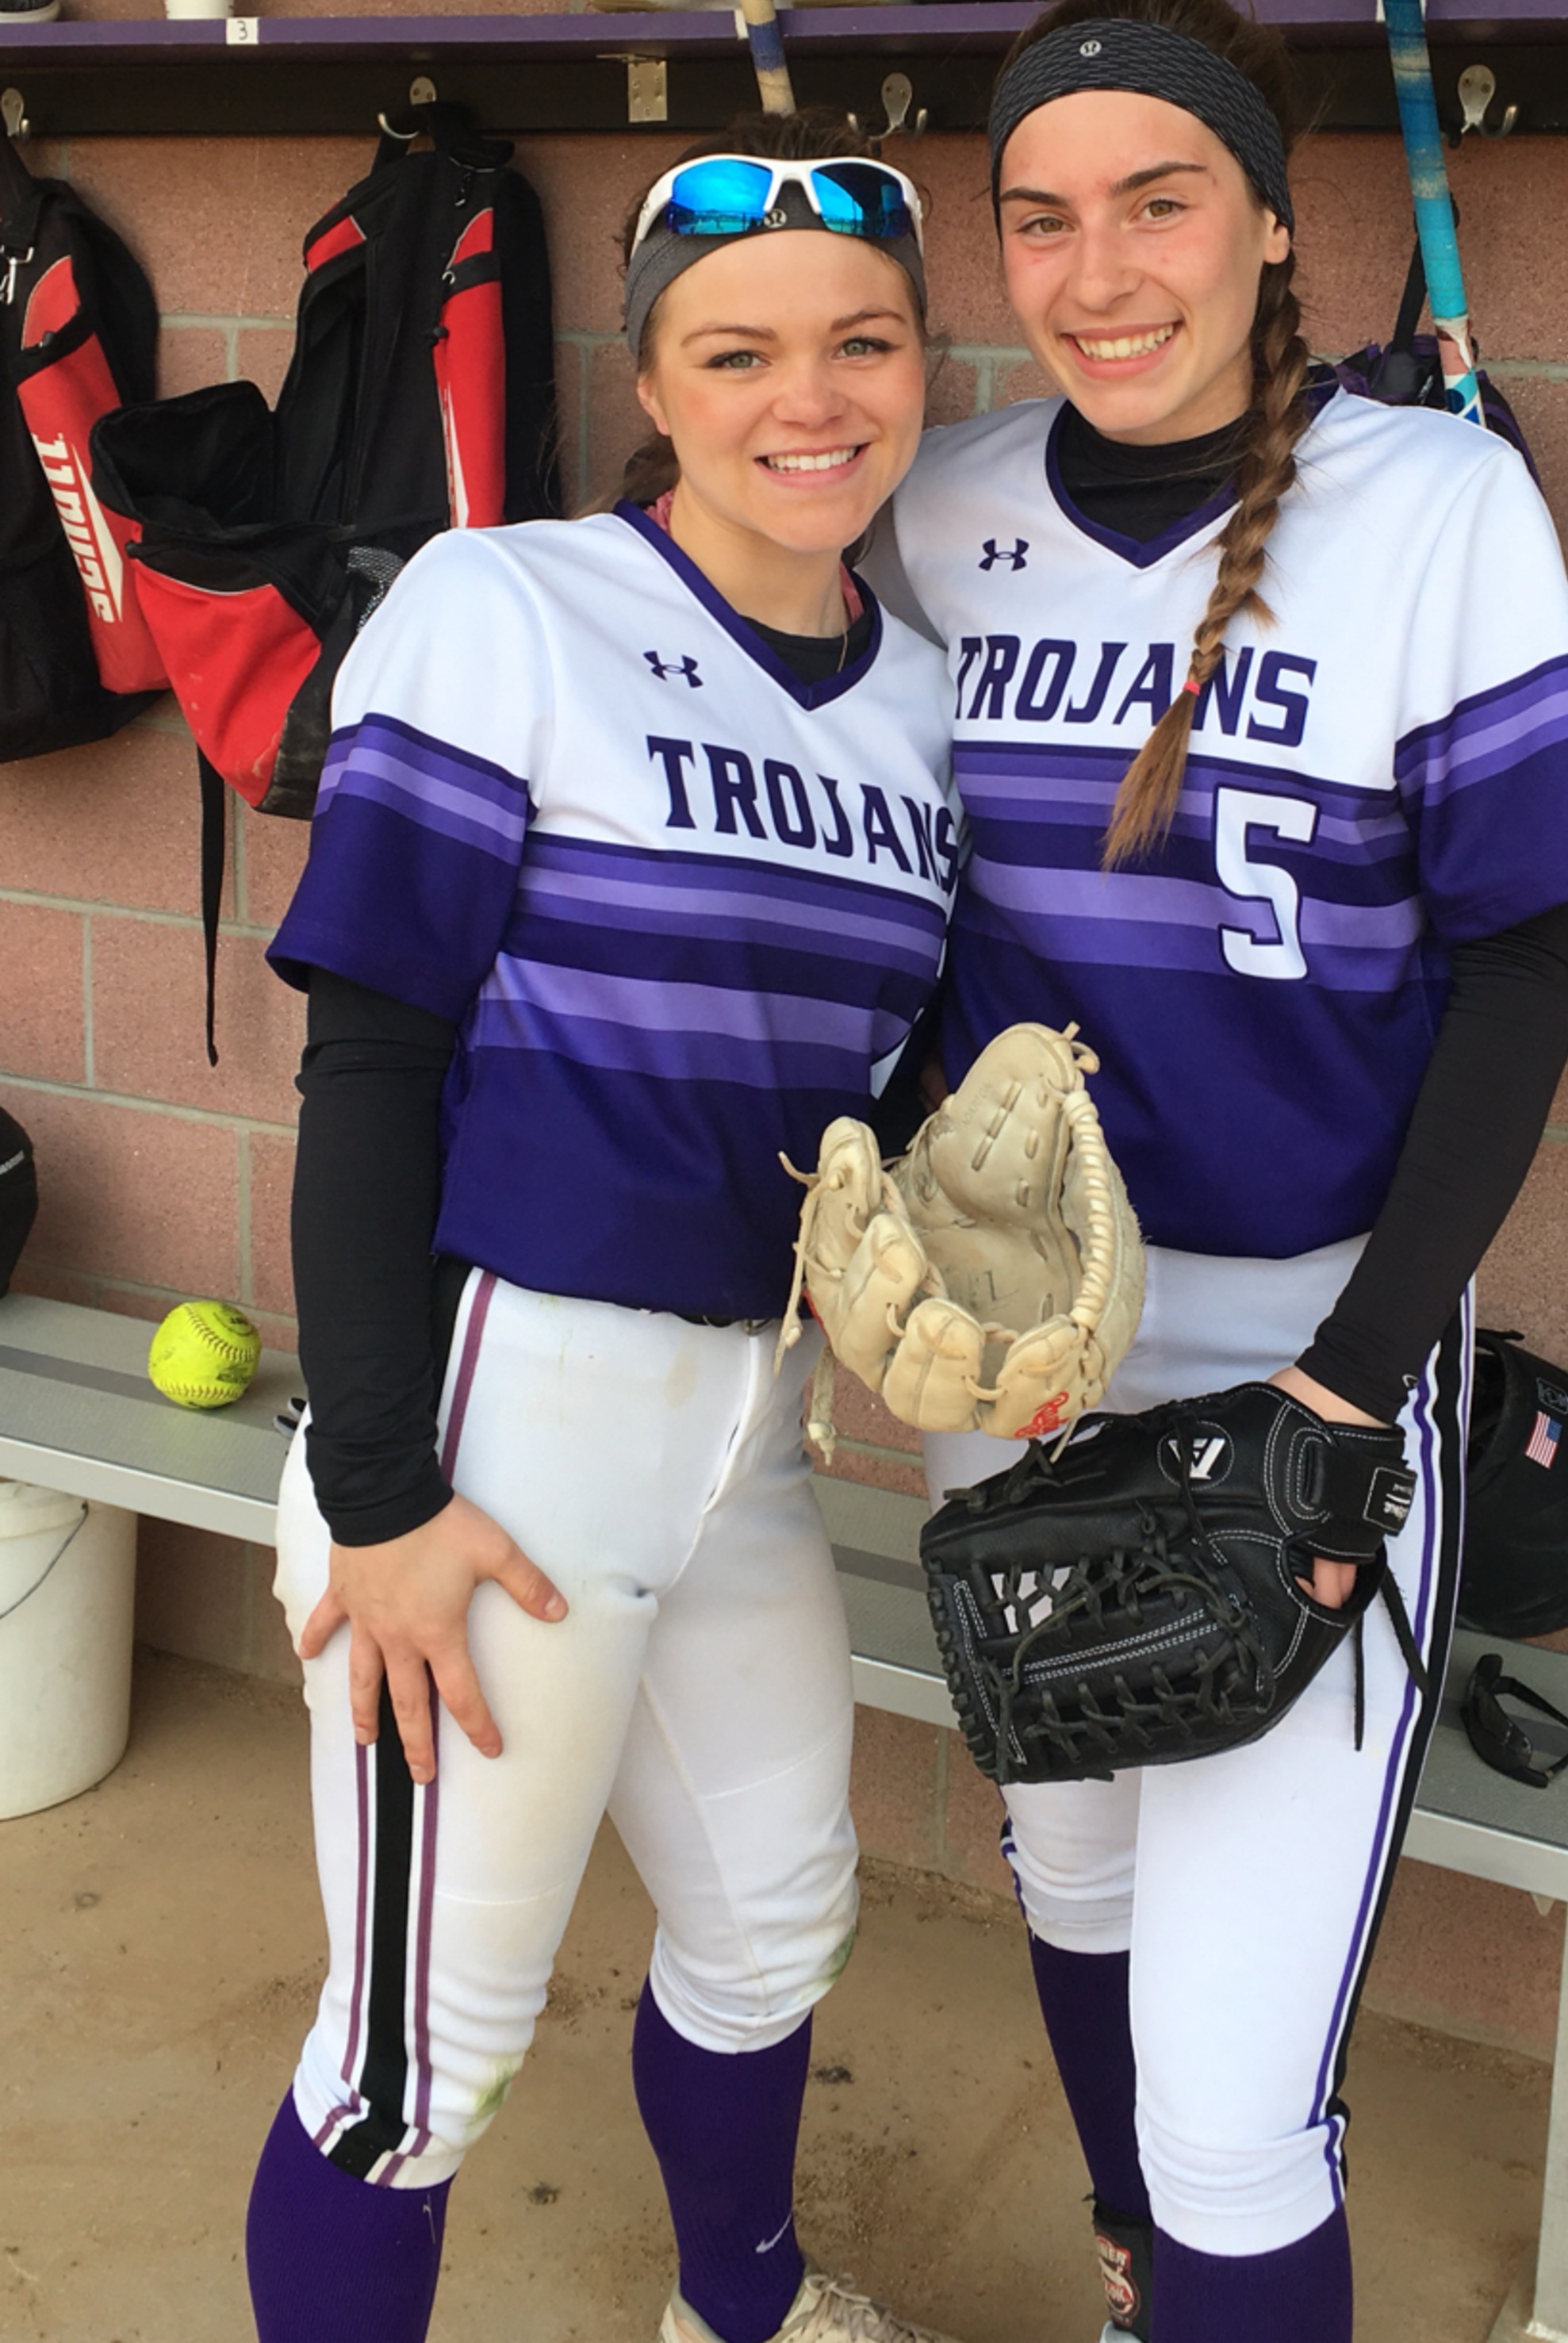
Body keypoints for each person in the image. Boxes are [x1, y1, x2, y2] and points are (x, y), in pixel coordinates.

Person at [863, 0, 1568, 2339]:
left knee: (1239, 2110)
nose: (1099, 272)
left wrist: (1350, 1386)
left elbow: (1538, 974)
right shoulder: (941, 504)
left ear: (1274, 225)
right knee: (1080, 1886)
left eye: (1158, 203)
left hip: (1305, 1365)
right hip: (1009, 1359)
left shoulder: (1437, 501)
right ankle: (1138, 2287)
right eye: (1038, 219)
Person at [248, 113, 964, 2343]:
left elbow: (879, 1097)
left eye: (862, 343)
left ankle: (741, 2311)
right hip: (500, 1416)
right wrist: (375, 1494)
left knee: (772, 1931)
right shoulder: (507, 605)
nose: (807, 399)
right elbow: (368, 1062)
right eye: (735, 351)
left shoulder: (922, 700)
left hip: (747, 1418)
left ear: (926, 367)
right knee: (414, 2065)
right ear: (651, 384)